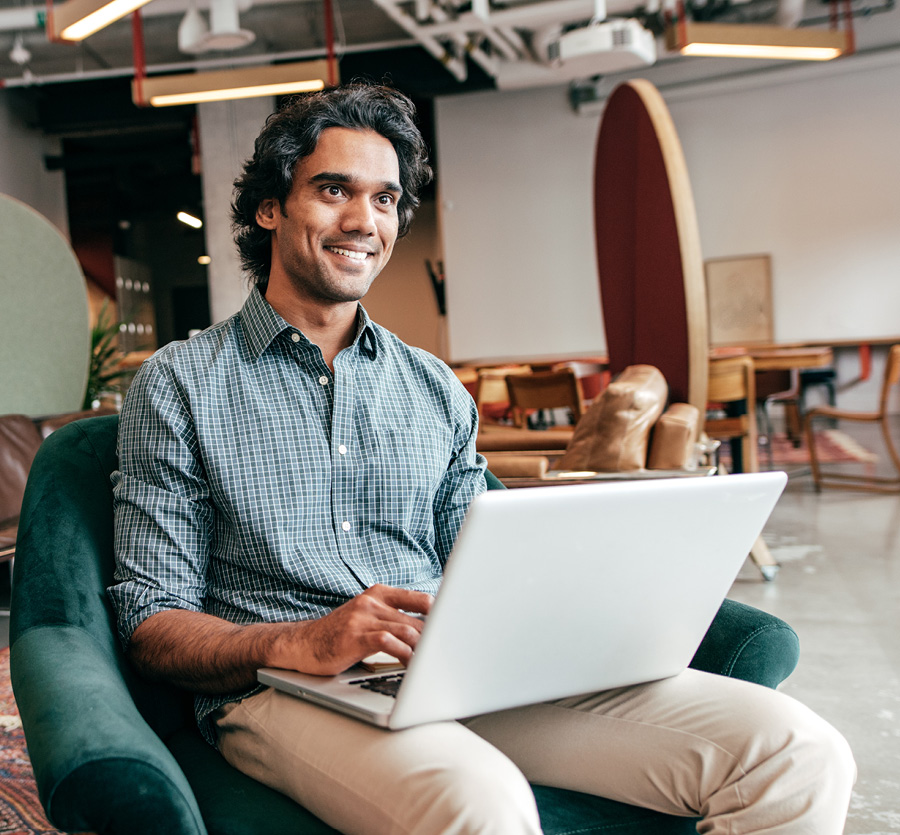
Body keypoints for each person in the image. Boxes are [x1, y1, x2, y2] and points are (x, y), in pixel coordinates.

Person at [110, 81, 855, 835]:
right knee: (479, 801)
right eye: (334, 190)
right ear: (271, 207)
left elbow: (486, 561)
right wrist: (301, 639)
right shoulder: (179, 384)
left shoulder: (433, 387)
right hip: (282, 687)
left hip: (453, 671)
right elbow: (150, 619)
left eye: (385, 199)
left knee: (798, 752)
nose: (364, 221)